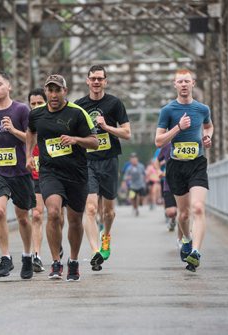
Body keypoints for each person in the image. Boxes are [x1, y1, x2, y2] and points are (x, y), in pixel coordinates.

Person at [26, 74, 98, 281]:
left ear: (64, 91)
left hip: (76, 173)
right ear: (45, 92)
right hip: (50, 172)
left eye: (57, 90)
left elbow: (94, 142)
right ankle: (56, 262)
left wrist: (75, 139)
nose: (53, 94)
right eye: (50, 90)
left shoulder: (77, 113)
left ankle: (73, 261)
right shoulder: (37, 114)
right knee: (54, 212)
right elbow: (30, 132)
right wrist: (29, 155)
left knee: (75, 220)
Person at [0, 69, 36, 279]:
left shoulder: (21, 110)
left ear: (8, 86)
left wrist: (13, 130)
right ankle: (5, 258)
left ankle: (27, 256)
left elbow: (31, 139)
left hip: (20, 170)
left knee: (22, 217)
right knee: (0, 211)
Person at [154, 69, 213, 272]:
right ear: (175, 85)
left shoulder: (202, 108)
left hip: (196, 163)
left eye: (187, 81)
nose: (184, 85)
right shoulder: (168, 111)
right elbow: (158, 140)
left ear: (193, 83)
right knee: (183, 214)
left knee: (198, 208)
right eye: (180, 81)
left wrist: (207, 137)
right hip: (175, 165)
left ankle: (195, 252)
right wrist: (178, 127)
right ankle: (186, 239)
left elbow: (208, 126)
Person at [74, 65, 131, 271]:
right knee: (90, 208)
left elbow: (127, 134)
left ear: (105, 81)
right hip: (87, 161)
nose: (96, 82)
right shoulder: (79, 106)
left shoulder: (115, 103)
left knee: (108, 213)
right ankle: (95, 251)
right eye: (93, 79)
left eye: (100, 79)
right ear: (87, 81)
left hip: (109, 160)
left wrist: (106, 127)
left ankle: (105, 235)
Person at [157, 143, 180, 239]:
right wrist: (159, 171)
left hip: (183, 183)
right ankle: (172, 219)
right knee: (171, 212)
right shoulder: (166, 145)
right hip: (168, 184)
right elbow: (157, 160)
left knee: (183, 212)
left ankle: (183, 239)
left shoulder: (188, 140)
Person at [123, 152, 146, 217]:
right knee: (132, 197)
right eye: (132, 160)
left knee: (141, 198)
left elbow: (144, 174)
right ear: (130, 161)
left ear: (137, 160)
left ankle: (139, 204)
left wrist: (145, 181)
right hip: (132, 185)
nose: (134, 161)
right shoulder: (129, 168)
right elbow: (125, 177)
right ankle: (135, 209)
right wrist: (127, 178)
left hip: (140, 185)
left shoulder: (141, 166)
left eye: (135, 159)